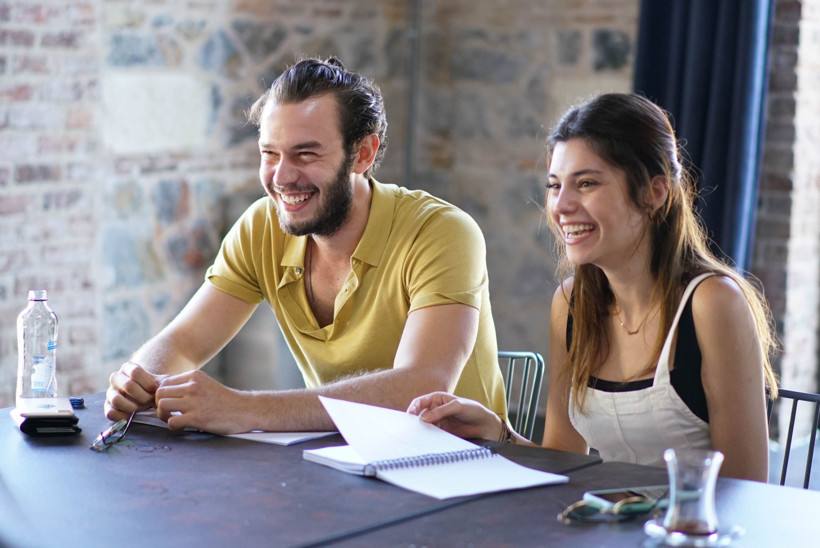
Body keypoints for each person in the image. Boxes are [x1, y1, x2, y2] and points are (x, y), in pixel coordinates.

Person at [105, 57, 506, 434]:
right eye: (270, 154)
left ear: (362, 154)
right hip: (338, 465)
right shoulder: (262, 226)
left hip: (457, 471)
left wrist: (244, 408)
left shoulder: (442, 232)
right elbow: (183, 343)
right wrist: (140, 380)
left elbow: (422, 384)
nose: (282, 177)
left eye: (305, 154)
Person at [408, 93, 778, 482]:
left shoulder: (712, 302)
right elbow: (563, 457)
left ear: (655, 192)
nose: (561, 205)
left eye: (586, 183)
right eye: (554, 186)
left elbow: (747, 487)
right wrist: (495, 431)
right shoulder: (570, 304)